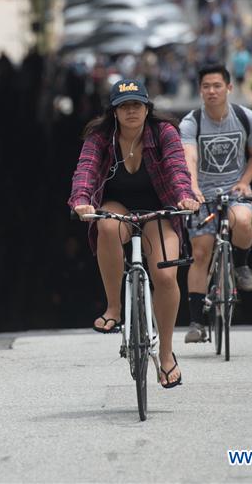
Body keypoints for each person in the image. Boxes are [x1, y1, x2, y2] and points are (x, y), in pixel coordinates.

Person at [69, 78, 198, 388]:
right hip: (119, 206)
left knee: (166, 276)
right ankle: (114, 306)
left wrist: (184, 195)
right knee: (107, 225)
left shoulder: (163, 132)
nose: (130, 111)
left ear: (146, 108)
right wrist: (82, 201)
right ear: (113, 112)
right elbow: (85, 170)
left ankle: (166, 356)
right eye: (123, 106)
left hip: (159, 208)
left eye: (136, 105)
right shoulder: (101, 137)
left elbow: (177, 167)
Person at [180, 64, 252, 344]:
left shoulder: (246, 118)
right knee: (201, 252)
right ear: (200, 90)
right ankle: (196, 321)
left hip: (235, 190)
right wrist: (192, 187)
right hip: (202, 194)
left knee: (242, 221)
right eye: (206, 86)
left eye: (217, 86)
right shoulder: (192, 122)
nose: (212, 91)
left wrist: (245, 181)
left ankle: (241, 265)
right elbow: (189, 156)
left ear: (229, 88)